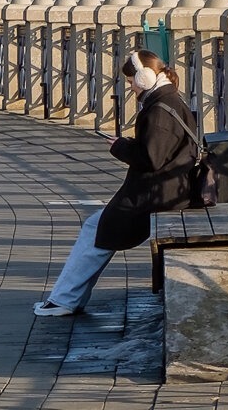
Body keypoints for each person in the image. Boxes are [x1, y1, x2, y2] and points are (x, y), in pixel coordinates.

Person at [33, 49, 197, 316]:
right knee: (97, 228)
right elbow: (161, 151)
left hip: (154, 196)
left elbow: (152, 158)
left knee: (97, 230)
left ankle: (63, 301)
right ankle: (66, 299)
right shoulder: (170, 101)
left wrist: (121, 147)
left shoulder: (159, 110)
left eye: (132, 81)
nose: (131, 87)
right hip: (168, 190)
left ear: (145, 78)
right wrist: (128, 145)